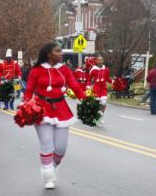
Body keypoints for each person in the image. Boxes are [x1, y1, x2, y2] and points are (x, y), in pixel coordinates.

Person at [24, 43, 86, 189]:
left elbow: (74, 85)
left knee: (61, 148)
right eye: (58, 51)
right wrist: (26, 104)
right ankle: (48, 177)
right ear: (48, 54)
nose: (61, 53)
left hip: (61, 109)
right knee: (46, 144)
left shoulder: (64, 69)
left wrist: (85, 98)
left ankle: (52, 166)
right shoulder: (36, 70)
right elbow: (29, 90)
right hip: (41, 109)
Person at [87, 56, 112, 124]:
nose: (100, 61)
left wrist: (112, 81)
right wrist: (88, 86)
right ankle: (95, 117)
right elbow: (89, 79)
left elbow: (107, 78)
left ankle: (101, 117)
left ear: (103, 61)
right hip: (96, 88)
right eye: (98, 60)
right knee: (96, 104)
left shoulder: (106, 69)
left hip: (103, 88)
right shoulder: (93, 70)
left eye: (101, 60)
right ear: (96, 61)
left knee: (103, 103)